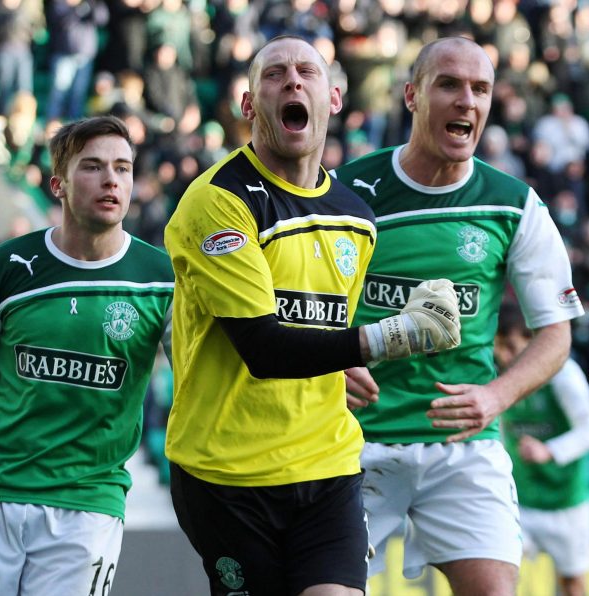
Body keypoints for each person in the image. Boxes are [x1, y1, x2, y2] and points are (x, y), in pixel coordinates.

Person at [163, 35, 462, 596]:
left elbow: (319, 329)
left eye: (307, 72)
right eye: (274, 75)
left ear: (334, 99)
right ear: (249, 106)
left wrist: (343, 360)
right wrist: (388, 337)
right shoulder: (219, 202)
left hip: (328, 466)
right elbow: (265, 349)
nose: (293, 82)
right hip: (228, 474)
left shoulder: (357, 217)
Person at [333, 36, 585, 594]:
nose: (466, 100)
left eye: (480, 89)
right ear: (412, 96)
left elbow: (556, 334)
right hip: (353, 440)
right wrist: (328, 361)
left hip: (462, 447)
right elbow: (295, 307)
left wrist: (498, 395)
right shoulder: (347, 193)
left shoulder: (513, 204)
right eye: (448, 84)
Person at [0, 115, 174, 596]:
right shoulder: (11, 264)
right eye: (93, 167)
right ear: (58, 184)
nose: (111, 179)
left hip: (88, 501)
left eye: (123, 168)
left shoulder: (160, 276)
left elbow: (199, 373)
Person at [495, 303, 589, 596]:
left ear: (531, 339)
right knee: (500, 575)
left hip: (566, 501)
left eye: (510, 346)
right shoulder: (494, 376)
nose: (503, 356)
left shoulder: (563, 373)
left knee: (572, 585)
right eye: (498, 347)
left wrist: (550, 451)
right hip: (520, 500)